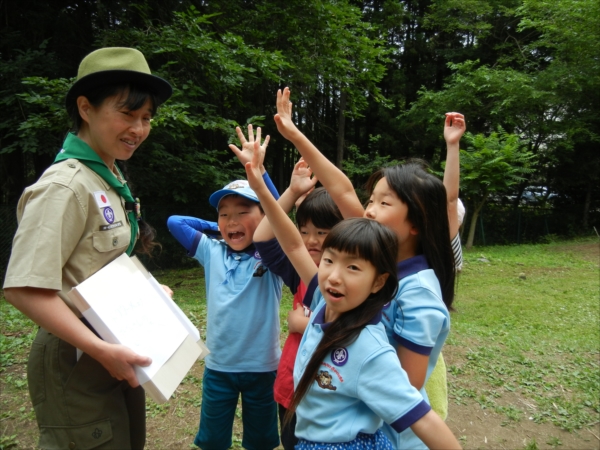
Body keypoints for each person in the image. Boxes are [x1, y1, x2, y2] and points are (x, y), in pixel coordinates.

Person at [3, 47, 173, 449]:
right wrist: (99, 349)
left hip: (114, 349)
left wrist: (148, 293)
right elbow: (24, 288)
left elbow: (101, 266)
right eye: (127, 113)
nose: (139, 128)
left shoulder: (109, 178)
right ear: (85, 108)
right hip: (77, 355)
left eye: (146, 117)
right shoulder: (65, 187)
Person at [243, 143, 462, 449]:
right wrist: (261, 189)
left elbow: (417, 411)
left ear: (379, 282)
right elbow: (293, 245)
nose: (334, 275)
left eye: (354, 267)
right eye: (329, 260)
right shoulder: (325, 300)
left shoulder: (369, 348)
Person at [166, 128, 283, 450]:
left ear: (263, 219)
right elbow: (175, 222)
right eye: (224, 214)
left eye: (243, 213)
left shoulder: (272, 256)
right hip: (219, 367)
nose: (232, 221)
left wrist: (258, 171)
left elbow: (280, 214)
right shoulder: (211, 251)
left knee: (260, 439)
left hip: (263, 367)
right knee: (212, 439)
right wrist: (215, 227)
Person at [254, 183, 343, 449]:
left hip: (329, 393)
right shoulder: (300, 271)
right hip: (291, 387)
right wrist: (292, 191)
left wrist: (303, 324)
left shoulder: (353, 279)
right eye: (303, 231)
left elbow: (354, 330)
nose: (311, 240)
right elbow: (263, 237)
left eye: (321, 232)